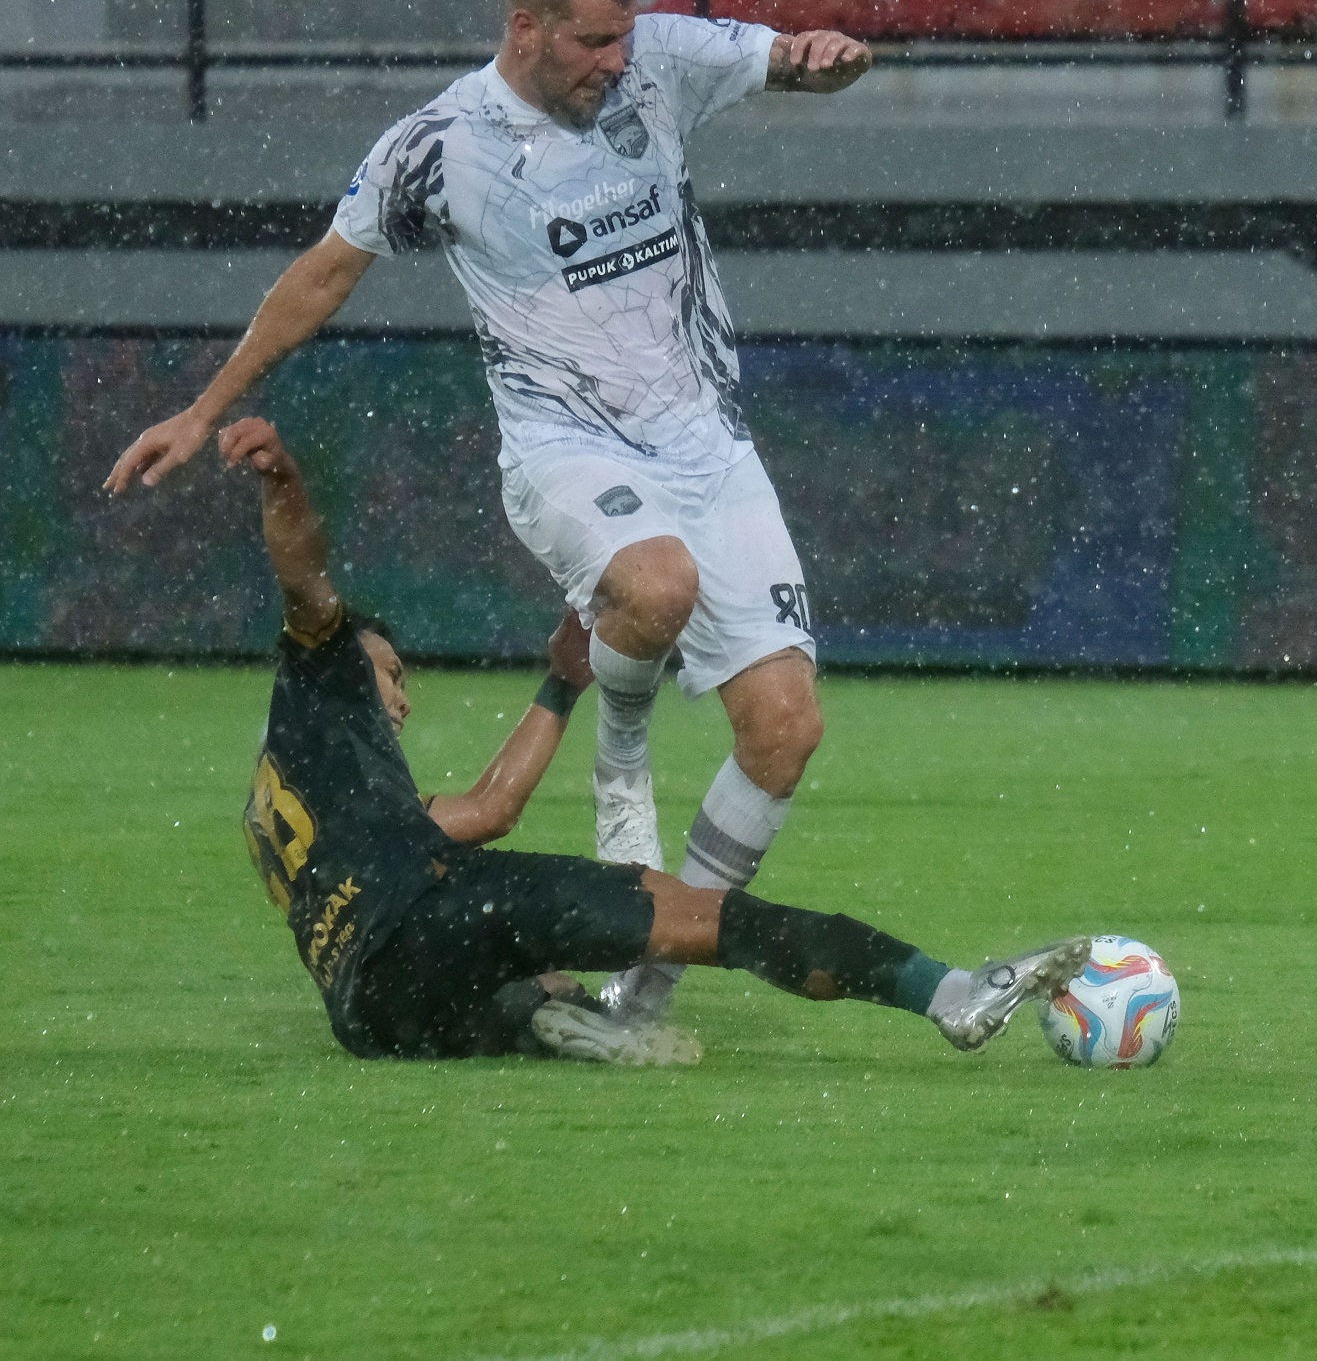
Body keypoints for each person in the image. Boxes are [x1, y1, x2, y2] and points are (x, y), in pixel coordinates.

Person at [108, 0, 874, 1027]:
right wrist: (204, 407)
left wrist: (818, 60)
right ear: (525, 27)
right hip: (567, 447)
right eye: (591, 41)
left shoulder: (658, 59)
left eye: (621, 38)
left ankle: (646, 991)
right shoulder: (440, 143)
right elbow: (324, 274)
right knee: (657, 588)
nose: (615, 60)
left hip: (708, 441)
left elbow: (778, 57)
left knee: (786, 731)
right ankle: (621, 750)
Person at [223, 415, 1088, 1064]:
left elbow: (488, 808)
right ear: (345, 663)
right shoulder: (319, 667)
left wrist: (563, 679)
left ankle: (546, 1021)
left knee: (522, 988)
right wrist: (284, 481)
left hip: (365, 1012)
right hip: (435, 912)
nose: (400, 698)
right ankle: (951, 993)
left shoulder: (310, 795)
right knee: (719, 925)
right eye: (392, 673)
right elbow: (303, 574)